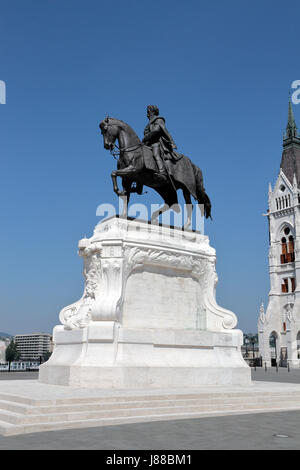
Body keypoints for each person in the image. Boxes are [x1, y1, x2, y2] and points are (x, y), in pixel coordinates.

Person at [142, 105, 181, 174]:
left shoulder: (159, 120)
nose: (147, 114)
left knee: (155, 154)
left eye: (148, 112)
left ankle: (162, 172)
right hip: (148, 144)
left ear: (153, 112)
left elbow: (156, 130)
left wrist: (145, 138)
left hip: (156, 143)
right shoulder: (149, 123)